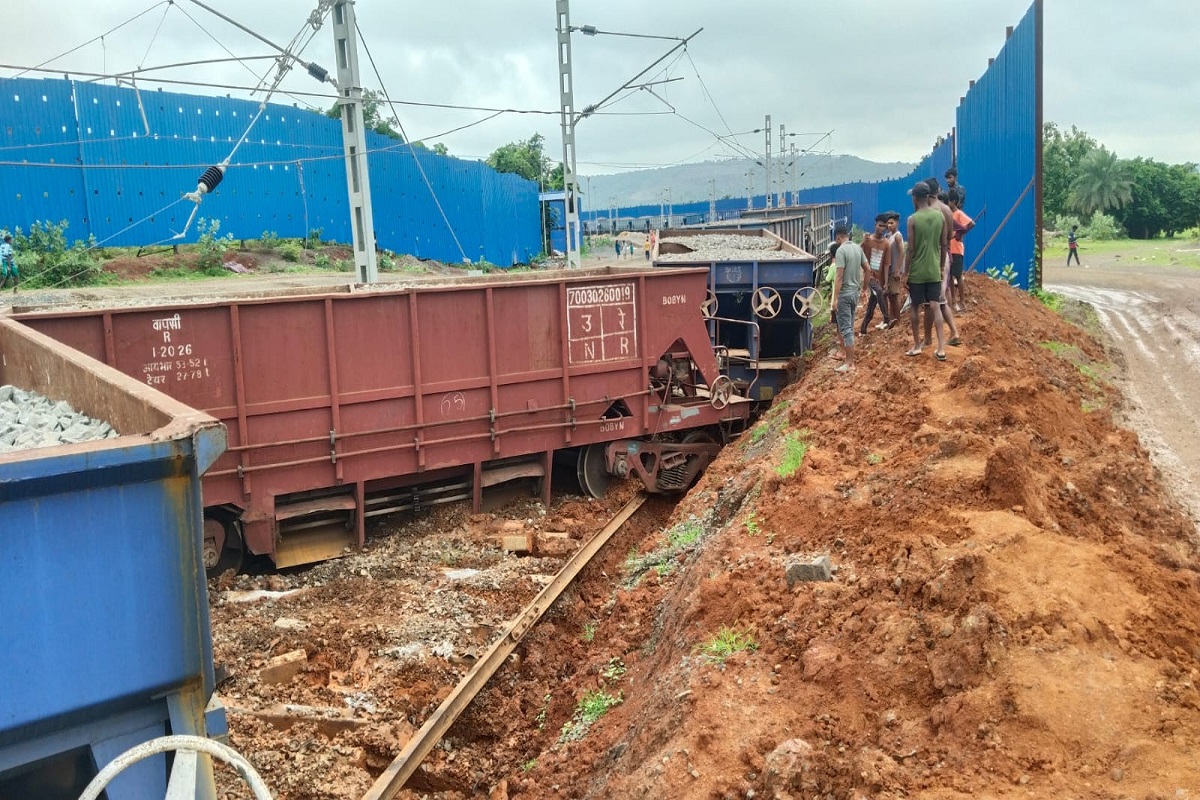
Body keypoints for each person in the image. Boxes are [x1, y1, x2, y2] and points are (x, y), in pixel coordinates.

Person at [905, 181, 949, 361]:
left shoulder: (912, 219)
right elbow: (944, 244)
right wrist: (940, 267)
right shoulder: (940, 217)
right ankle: (941, 348)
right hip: (933, 269)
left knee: (915, 306)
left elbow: (911, 250)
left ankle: (917, 345)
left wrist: (906, 272)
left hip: (917, 271)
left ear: (915, 198)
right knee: (935, 305)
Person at [924, 178, 962, 347]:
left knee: (931, 301)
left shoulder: (930, 211)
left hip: (933, 256)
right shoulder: (947, 209)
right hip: (944, 255)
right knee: (939, 299)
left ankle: (928, 339)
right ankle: (953, 332)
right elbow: (949, 235)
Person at [831, 225, 867, 374]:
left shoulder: (841, 251)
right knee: (850, 327)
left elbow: (839, 276)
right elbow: (868, 269)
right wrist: (864, 289)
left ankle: (849, 363)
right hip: (855, 293)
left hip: (845, 294)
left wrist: (835, 298)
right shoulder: (858, 249)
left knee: (846, 329)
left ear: (838, 238)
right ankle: (849, 359)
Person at [859, 214, 892, 334]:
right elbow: (857, 252)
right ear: (875, 225)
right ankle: (887, 319)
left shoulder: (886, 244)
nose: (882, 228)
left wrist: (886, 282)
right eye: (880, 225)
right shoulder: (868, 241)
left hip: (880, 278)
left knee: (872, 305)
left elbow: (886, 265)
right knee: (878, 292)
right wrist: (863, 241)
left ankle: (863, 329)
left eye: (884, 226)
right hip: (870, 276)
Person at [947, 191, 975, 312]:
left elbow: (971, 223)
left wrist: (960, 233)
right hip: (948, 249)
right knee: (950, 277)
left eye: (948, 201)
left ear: (953, 202)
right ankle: (953, 301)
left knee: (958, 275)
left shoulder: (958, 214)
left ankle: (962, 301)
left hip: (957, 249)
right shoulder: (947, 215)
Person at [885, 212, 906, 322]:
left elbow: (902, 252)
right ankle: (892, 318)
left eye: (891, 223)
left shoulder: (897, 236)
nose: (889, 225)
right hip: (890, 269)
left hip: (895, 270)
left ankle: (898, 320)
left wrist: (897, 270)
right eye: (888, 223)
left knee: (894, 294)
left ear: (897, 223)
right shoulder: (889, 236)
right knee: (890, 295)